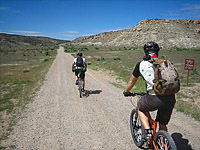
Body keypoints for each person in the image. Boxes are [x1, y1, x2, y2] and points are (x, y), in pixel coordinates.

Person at [123, 42, 176, 140]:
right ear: (158, 52)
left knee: (140, 107)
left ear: (145, 53)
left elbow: (131, 82)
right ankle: (163, 143)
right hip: (170, 97)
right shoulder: (165, 63)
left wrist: (126, 92)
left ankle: (147, 131)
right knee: (162, 124)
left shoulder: (141, 64)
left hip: (154, 97)